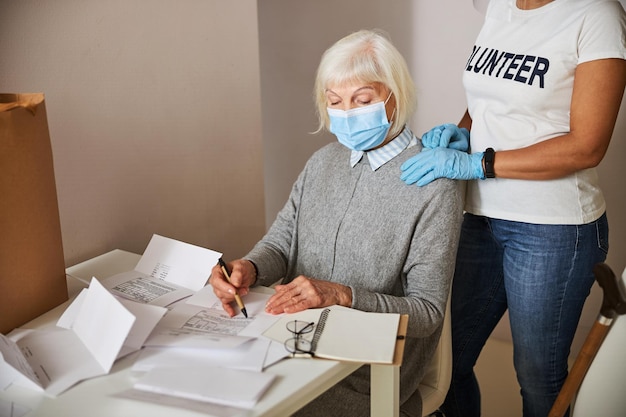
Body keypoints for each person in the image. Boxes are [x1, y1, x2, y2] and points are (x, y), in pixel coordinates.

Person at [209, 29, 464, 417]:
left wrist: (342, 296)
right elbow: (280, 245)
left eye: (362, 100)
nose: (347, 114)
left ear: (395, 96)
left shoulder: (433, 183)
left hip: (364, 373)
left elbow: (427, 313)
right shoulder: (323, 163)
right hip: (290, 345)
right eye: (335, 102)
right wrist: (249, 268)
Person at [400, 1, 626, 416]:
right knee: (444, 360)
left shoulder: (596, 15)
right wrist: (462, 135)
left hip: (553, 229)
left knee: (538, 377)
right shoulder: (502, 7)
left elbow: (587, 145)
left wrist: (479, 163)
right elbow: (489, 99)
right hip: (481, 216)